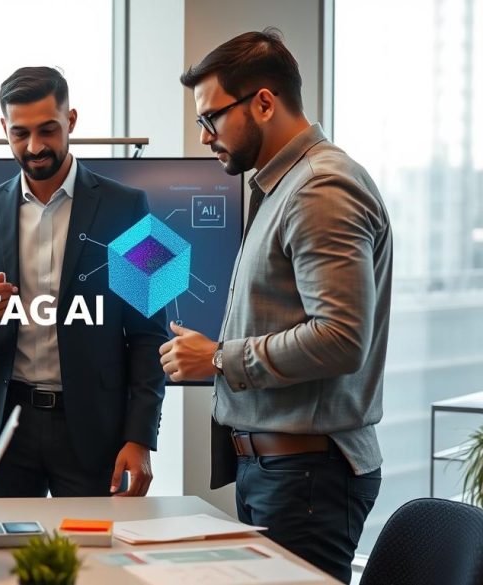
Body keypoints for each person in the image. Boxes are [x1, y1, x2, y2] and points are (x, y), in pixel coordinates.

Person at [162, 28, 391, 584]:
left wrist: (219, 358)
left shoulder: (319, 188)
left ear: (263, 102)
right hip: (279, 471)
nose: (204, 137)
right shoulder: (281, 188)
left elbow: (340, 337)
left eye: (211, 118)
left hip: (306, 475)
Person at [0, 66, 168, 498]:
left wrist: (140, 439)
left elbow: (150, 336)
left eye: (48, 129)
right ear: (4, 129)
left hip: (95, 433)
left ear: (72, 120)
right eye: (20, 133)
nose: (35, 146)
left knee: (94, 562)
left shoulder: (132, 207)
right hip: (2, 432)